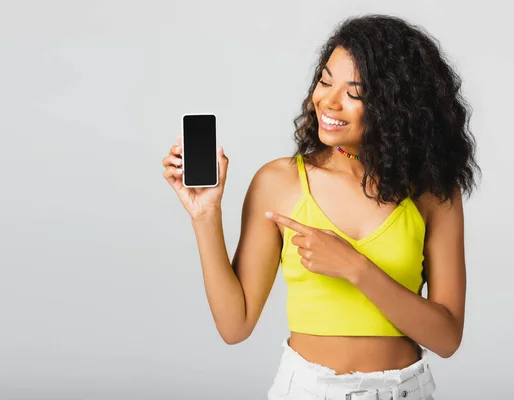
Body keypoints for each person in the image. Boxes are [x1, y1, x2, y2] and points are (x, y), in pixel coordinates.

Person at [162, 14, 479, 400]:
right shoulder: (279, 182)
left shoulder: (433, 193)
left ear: (397, 105)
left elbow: (446, 338)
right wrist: (205, 215)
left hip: (405, 391)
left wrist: (355, 267)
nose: (328, 101)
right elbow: (235, 325)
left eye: (353, 92)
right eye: (325, 81)